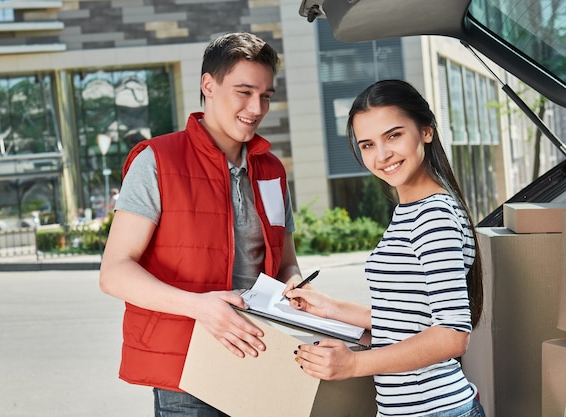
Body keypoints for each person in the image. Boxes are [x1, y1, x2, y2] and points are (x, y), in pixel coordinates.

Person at [99, 32, 302, 417]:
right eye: (243, 92)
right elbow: (114, 273)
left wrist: (293, 287)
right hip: (187, 372)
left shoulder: (271, 170)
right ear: (208, 85)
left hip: (260, 356)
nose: (256, 108)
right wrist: (200, 307)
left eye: (266, 96)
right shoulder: (158, 161)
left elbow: (285, 263)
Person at [286, 80, 485, 417]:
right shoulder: (408, 210)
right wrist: (328, 306)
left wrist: (352, 364)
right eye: (367, 144)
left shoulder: (433, 215)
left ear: (426, 131)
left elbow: (452, 335)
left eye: (393, 135)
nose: (382, 155)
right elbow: (406, 321)